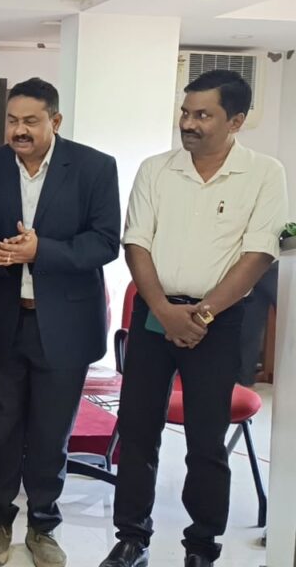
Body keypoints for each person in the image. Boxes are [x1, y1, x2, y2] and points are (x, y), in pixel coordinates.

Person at [100, 70, 287, 567]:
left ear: (236, 121)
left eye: (203, 115)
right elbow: (136, 243)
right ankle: (131, 537)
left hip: (218, 321)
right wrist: (164, 311)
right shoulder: (157, 169)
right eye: (185, 113)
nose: (189, 123)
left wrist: (200, 315)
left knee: (207, 441)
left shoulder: (264, 173)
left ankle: (202, 546)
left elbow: (258, 254)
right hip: (155, 313)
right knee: (138, 431)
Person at [0, 77, 120, 567]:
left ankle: (43, 526)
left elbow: (105, 242)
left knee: (52, 433)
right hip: (4, 319)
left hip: (66, 325)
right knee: (2, 428)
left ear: (55, 120)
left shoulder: (94, 167)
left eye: (31, 121)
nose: (20, 130)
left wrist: (40, 251)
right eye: (12, 121)